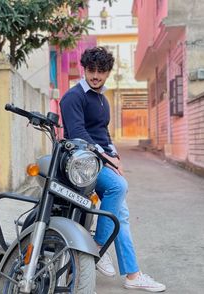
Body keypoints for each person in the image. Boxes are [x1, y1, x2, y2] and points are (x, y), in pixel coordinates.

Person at [60, 46, 166, 293]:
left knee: (121, 215)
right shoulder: (73, 97)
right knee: (119, 186)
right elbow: (79, 135)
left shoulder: (102, 100)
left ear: (107, 72)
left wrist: (115, 155)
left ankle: (132, 274)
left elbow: (104, 134)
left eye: (101, 71)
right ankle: (99, 247)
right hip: (81, 163)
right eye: (92, 70)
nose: (96, 75)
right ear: (85, 69)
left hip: (98, 160)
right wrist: (107, 159)